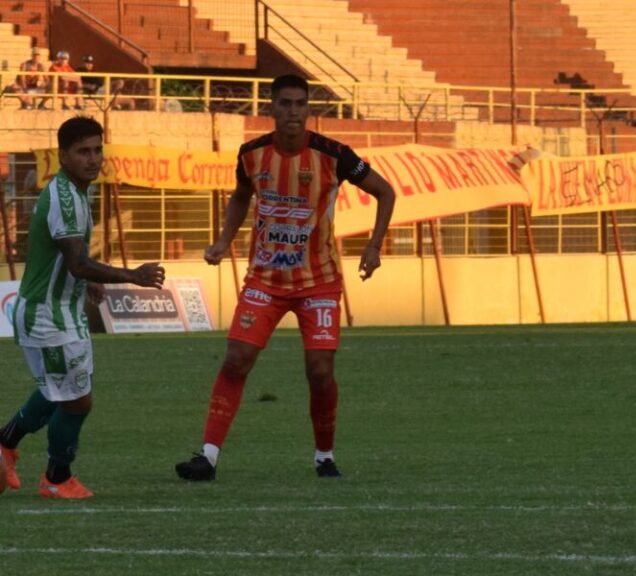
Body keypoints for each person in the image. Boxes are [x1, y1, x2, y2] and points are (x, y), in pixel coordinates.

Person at [175, 74, 395, 481]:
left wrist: (374, 245)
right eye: (285, 104)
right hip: (265, 280)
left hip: (319, 281)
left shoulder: (335, 154)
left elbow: (385, 191)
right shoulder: (251, 154)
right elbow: (241, 195)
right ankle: (207, 456)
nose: (293, 112)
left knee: (319, 371)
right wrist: (224, 241)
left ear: (308, 109)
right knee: (237, 360)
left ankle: (324, 456)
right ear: (272, 109)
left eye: (300, 104)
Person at [0, 116, 166, 499]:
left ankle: (7, 443)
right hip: (49, 315)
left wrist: (87, 279)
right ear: (63, 156)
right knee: (77, 400)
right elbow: (76, 261)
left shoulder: (75, 190)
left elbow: (67, 258)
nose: (93, 159)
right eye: (83, 152)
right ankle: (56, 478)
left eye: (97, 150)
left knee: (59, 390)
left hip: (54, 311)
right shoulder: (64, 196)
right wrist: (132, 276)